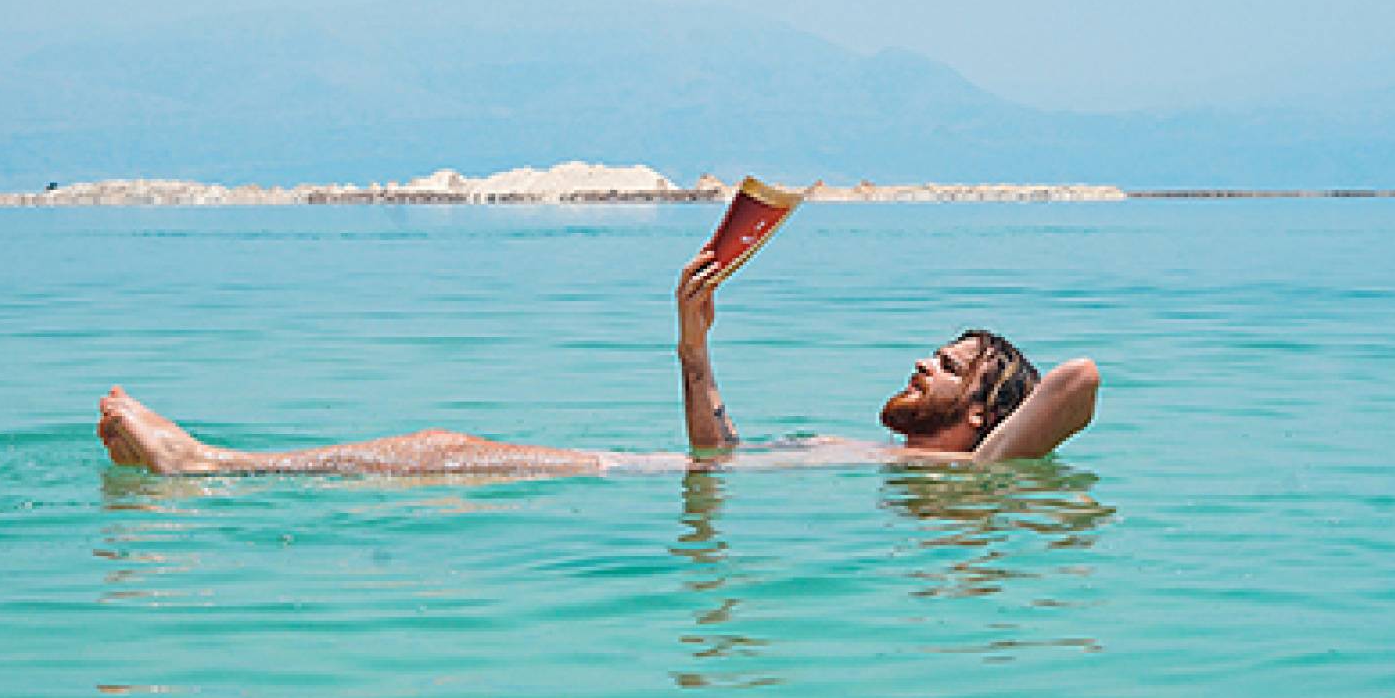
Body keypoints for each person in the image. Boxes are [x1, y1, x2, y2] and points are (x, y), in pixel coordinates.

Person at [96, 250, 1099, 477]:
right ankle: (210, 464)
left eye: (949, 364)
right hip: (676, 478)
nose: (922, 361)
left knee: (444, 452)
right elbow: (721, 457)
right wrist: (693, 339)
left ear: (982, 406)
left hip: (633, 484)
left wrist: (992, 446)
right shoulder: (923, 476)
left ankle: (207, 466)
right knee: (445, 455)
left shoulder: (969, 475)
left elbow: (1078, 379)